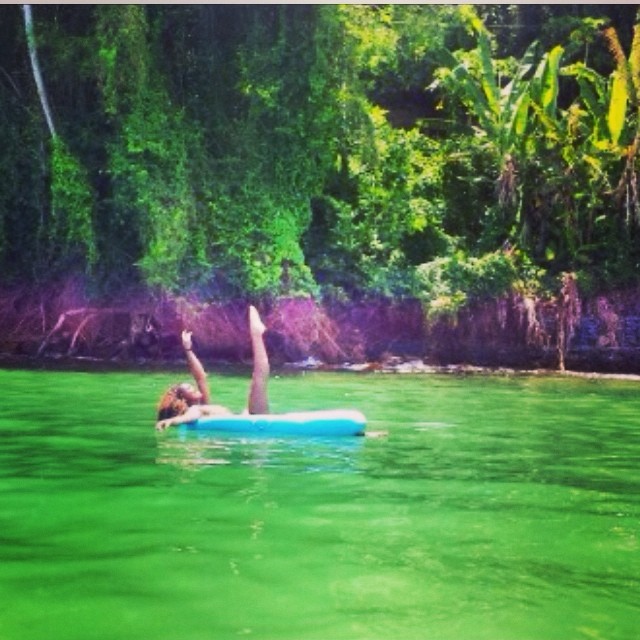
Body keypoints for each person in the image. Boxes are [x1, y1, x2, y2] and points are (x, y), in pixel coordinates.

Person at [155, 305, 269, 430]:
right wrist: (175, 420)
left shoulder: (203, 404)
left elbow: (200, 377)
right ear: (183, 399)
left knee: (259, 378)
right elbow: (193, 414)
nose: (193, 387)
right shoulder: (195, 410)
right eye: (188, 388)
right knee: (258, 378)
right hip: (251, 419)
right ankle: (256, 335)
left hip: (248, 416)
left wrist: (188, 349)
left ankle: (257, 334)